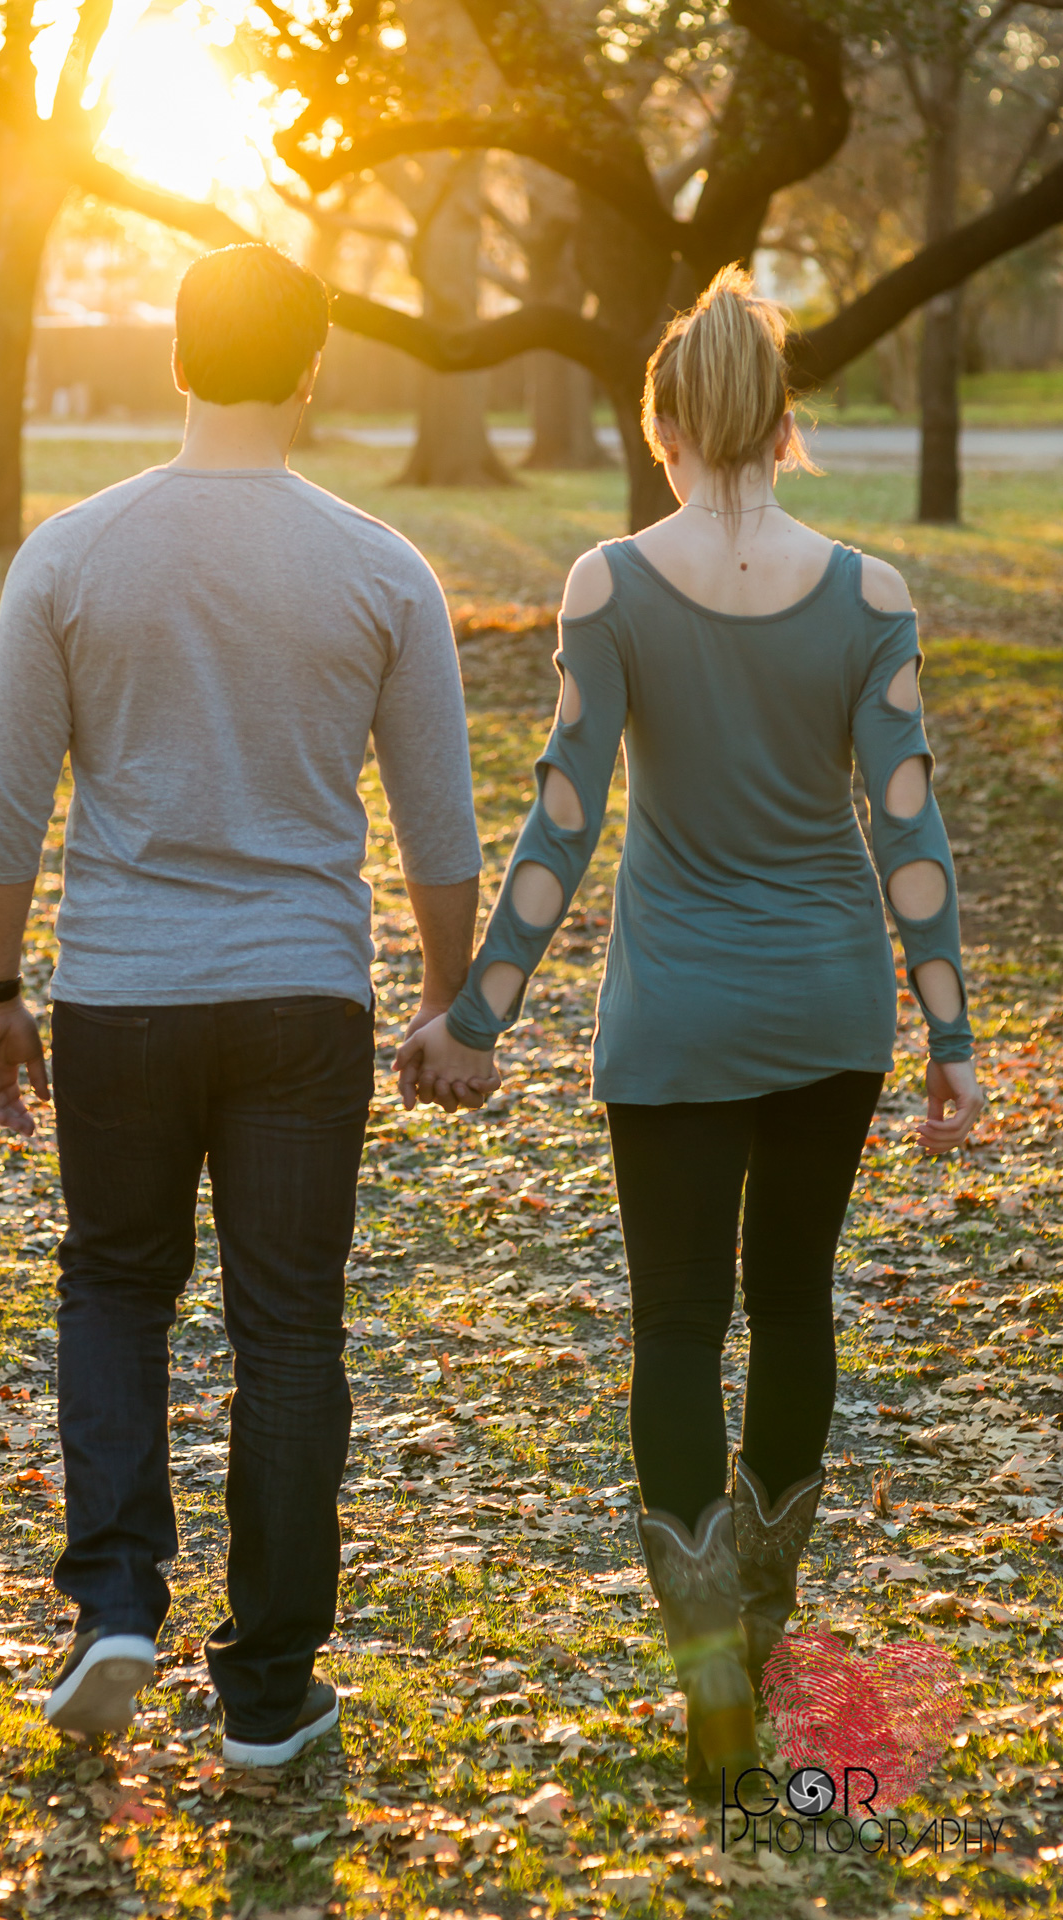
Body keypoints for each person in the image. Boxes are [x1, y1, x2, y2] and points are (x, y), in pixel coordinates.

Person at [397, 264, 982, 1796]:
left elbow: (564, 822)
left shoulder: (611, 583)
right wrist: (953, 1043)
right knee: (792, 1308)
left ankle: (711, 1664)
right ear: (784, 425)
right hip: (831, 1006)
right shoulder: (870, 596)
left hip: (674, 1018)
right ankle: (770, 1609)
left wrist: (478, 1017)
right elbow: (909, 831)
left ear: (664, 422)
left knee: (676, 1327)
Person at [0, 242, 487, 1765]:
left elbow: (4, 817)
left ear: (175, 361)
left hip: (119, 994)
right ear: (314, 369)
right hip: (301, 1001)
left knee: (117, 1285)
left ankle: (116, 1598)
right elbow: (439, 833)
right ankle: (266, 1694)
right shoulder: (383, 568)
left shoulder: (68, 555)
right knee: (289, 1332)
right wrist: (451, 1004)